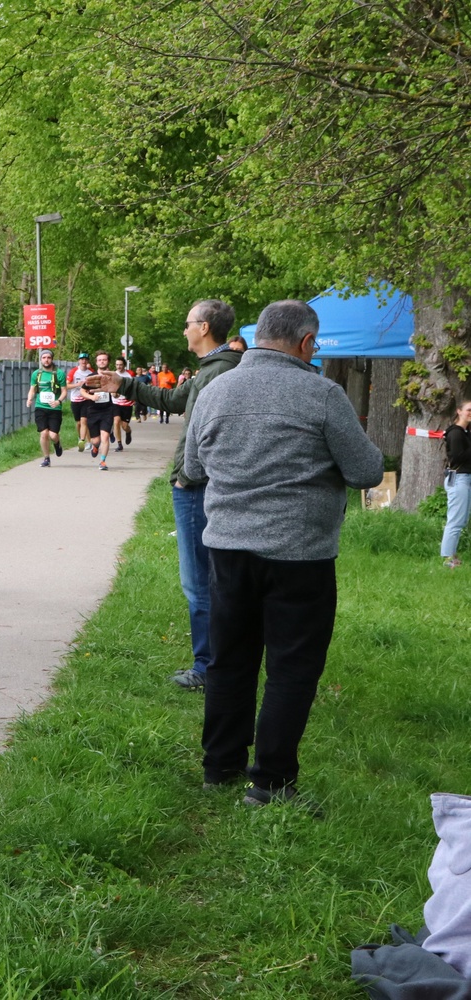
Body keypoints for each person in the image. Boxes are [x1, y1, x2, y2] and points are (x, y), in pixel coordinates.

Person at [184, 299, 383, 809]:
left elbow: (194, 466)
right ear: (307, 342)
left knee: (229, 661)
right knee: (292, 668)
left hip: (228, 549)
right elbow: (366, 471)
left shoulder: (215, 389)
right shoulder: (323, 394)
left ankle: (219, 767)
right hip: (300, 554)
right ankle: (271, 783)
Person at [87, 299, 240, 690]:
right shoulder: (215, 368)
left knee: (199, 582)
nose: (184, 329)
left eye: (188, 323)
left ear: (204, 327)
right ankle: (220, 663)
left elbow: (208, 435)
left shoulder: (218, 372)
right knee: (211, 578)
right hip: (204, 485)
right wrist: (123, 384)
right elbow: (172, 400)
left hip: (197, 489)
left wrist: (186, 477)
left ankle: (208, 668)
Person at [25, 347, 66, 467]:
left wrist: (58, 401)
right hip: (40, 407)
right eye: (44, 357)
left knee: (53, 435)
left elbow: (64, 391)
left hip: (55, 408)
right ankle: (46, 458)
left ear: (52, 359)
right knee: (44, 433)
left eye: (48, 357)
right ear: (41, 359)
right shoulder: (36, 374)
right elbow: (32, 389)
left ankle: (57, 443)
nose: (46, 360)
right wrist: (29, 398)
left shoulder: (59, 373)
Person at [442, 398, 471, 568]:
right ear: (459, 411)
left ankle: (451, 555)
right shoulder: (456, 433)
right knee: (455, 520)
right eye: (469, 410)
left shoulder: (466, 432)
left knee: (461, 519)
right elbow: (457, 457)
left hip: (464, 479)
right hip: (459, 479)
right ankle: (447, 558)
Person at [82, 351, 117, 471]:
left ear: (108, 362)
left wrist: (115, 393)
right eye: (100, 360)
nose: (102, 362)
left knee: (105, 437)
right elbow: (82, 391)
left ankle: (102, 461)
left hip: (107, 410)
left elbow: (117, 393)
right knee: (96, 440)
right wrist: (91, 397)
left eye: (104, 360)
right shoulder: (91, 377)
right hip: (93, 410)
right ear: (96, 362)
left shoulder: (112, 377)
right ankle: (95, 446)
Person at [66, 353, 94, 450]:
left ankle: (86, 441)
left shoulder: (91, 372)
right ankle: (80, 437)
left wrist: (90, 391)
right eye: (82, 359)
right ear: (78, 361)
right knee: (78, 423)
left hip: (86, 400)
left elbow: (96, 385)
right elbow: (66, 386)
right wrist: (77, 385)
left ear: (88, 361)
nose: (84, 361)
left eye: (85, 359)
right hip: (75, 400)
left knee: (84, 421)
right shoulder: (73, 371)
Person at [111, 357, 134, 449]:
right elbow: (110, 387)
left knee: (124, 426)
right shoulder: (113, 375)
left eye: (120, 365)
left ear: (124, 365)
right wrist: (113, 393)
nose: (119, 366)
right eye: (117, 365)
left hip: (127, 403)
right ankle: (119, 444)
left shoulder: (130, 374)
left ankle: (128, 432)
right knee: (116, 421)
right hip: (116, 403)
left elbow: (133, 388)